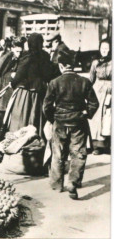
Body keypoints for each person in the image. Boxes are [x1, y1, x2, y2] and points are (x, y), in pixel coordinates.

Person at [43, 50, 99, 199]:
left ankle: (56, 184)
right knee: (78, 153)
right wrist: (86, 113)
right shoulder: (84, 82)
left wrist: (52, 118)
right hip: (78, 121)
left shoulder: (54, 82)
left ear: (61, 66)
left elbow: (46, 106)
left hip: (60, 121)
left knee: (58, 152)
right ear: (73, 66)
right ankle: (73, 183)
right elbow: (94, 103)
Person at [3, 33, 53, 138]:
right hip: (39, 93)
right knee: (36, 118)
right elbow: (48, 74)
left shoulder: (26, 55)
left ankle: (20, 142)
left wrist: (12, 83)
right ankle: (36, 140)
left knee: (21, 118)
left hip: (25, 93)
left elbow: (20, 74)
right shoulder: (45, 55)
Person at [0, 37, 24, 145]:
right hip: (1, 97)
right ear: (12, 48)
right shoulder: (7, 57)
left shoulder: (14, 57)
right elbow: (0, 73)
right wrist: (12, 75)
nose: (19, 54)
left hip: (5, 97)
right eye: (17, 51)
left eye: (21, 51)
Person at [89, 39, 112, 155]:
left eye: (107, 48)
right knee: (96, 119)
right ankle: (96, 146)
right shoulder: (95, 63)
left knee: (107, 117)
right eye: (102, 48)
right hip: (97, 91)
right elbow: (91, 79)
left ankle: (107, 144)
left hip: (110, 91)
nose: (104, 51)